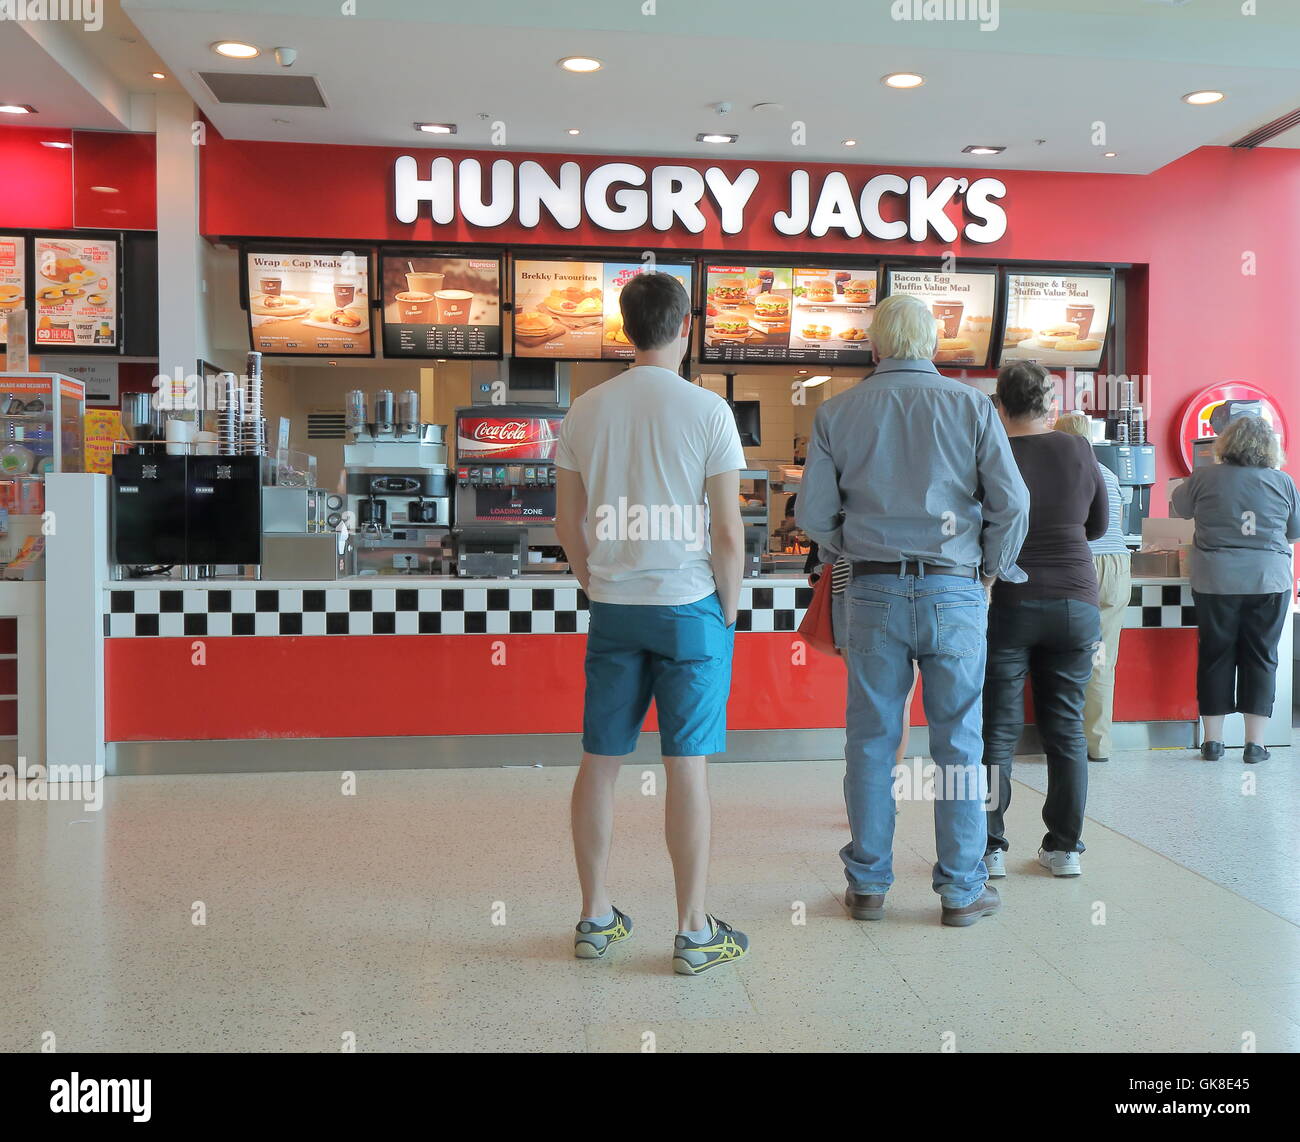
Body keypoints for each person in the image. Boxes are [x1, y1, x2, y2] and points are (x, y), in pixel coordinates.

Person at [798, 294, 1029, 928]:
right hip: (954, 591)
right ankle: (960, 890)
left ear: (875, 347)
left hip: (871, 593)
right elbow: (1013, 506)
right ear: (932, 346)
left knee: (872, 739)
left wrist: (857, 545)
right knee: (960, 740)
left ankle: (868, 883)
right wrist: (987, 570)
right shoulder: (972, 407)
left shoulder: (836, 412)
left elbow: (813, 517)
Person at [554, 271, 750, 976]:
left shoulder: (585, 410)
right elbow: (727, 533)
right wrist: (727, 609)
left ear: (624, 328)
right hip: (689, 608)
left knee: (600, 762)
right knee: (686, 766)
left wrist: (595, 580)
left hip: (614, 608)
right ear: (686, 326)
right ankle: (693, 933)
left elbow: (566, 524)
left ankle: (595, 917)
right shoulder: (709, 412)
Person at [982, 366, 1107, 879]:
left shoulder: (991, 450)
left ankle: (990, 848)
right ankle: (1064, 849)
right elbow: (1097, 524)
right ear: (1048, 403)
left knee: (997, 732)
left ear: (1000, 404)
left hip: (1009, 602)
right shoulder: (1079, 449)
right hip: (1077, 603)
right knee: (1067, 730)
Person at [1171, 415, 1300, 764]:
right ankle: (1254, 745)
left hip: (1215, 580)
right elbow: (1293, 534)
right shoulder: (1283, 482)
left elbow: (1178, 509)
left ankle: (1212, 743)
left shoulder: (1203, 477)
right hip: (1267, 580)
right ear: (1269, 447)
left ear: (1225, 444)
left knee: (1216, 655)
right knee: (1260, 656)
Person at [1054, 411, 1133, 763]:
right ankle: (1098, 744)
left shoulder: (1061, 474)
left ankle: (1063, 740)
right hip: (1116, 566)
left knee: (1065, 655)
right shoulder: (1110, 475)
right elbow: (1113, 523)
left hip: (1077, 564)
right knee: (1102, 658)